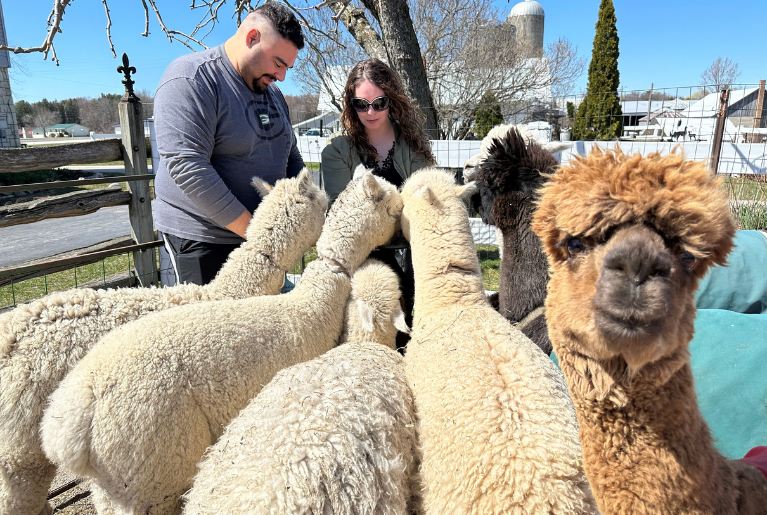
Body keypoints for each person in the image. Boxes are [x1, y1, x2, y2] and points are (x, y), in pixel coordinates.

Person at [153, 3, 305, 287]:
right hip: (203, 240)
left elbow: (291, 155)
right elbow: (187, 165)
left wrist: (306, 203)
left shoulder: (272, 94)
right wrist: (257, 231)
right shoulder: (192, 78)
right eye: (278, 63)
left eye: (287, 67)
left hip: (260, 241)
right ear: (251, 38)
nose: (282, 76)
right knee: (209, 329)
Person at [321, 59, 436, 346]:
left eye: (379, 103)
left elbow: (426, 206)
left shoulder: (412, 145)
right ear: (350, 103)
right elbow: (342, 217)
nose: (370, 112)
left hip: (414, 254)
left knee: (413, 336)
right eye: (361, 104)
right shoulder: (337, 151)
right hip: (362, 260)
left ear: (392, 100)